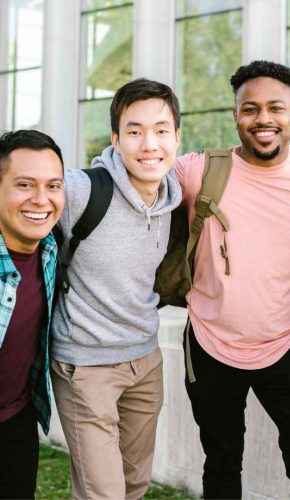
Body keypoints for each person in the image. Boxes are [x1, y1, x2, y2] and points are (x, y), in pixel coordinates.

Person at [173, 60, 290, 499]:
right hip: (209, 343)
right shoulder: (198, 171)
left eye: (275, 108)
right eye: (251, 109)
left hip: (288, 341)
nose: (264, 119)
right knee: (222, 463)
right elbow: (134, 179)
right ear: (235, 116)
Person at [50, 78, 182, 499]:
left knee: (134, 486)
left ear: (177, 137)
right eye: (134, 131)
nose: (149, 144)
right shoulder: (81, 190)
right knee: (102, 494)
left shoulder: (173, 198)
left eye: (161, 130)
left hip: (145, 360)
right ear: (116, 138)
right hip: (85, 367)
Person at [0, 130, 65, 499]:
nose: (41, 200)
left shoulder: (54, 248)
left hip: (17, 420)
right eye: (24, 184)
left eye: (53, 185)